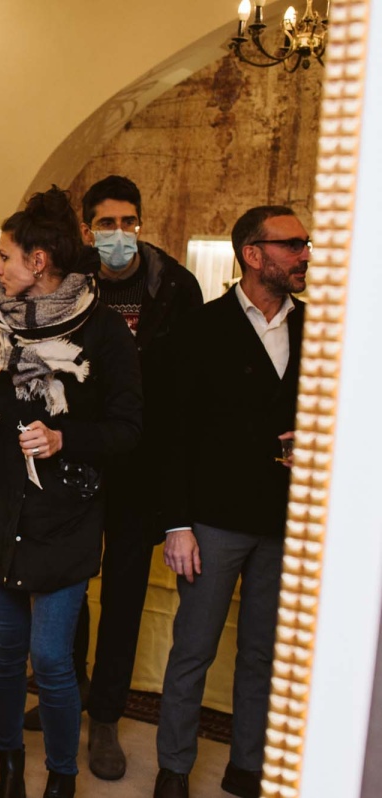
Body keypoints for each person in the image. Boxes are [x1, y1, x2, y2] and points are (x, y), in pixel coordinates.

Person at [0, 187, 142, 798]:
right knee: (6, 655)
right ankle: (9, 769)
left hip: (65, 518)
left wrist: (64, 439)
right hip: (0, 512)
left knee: (54, 659)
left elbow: (128, 429)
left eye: (5, 256)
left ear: (38, 262)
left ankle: (62, 778)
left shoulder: (103, 329)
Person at [21, 175, 204, 779]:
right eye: (107, 224)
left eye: (129, 222)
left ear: (141, 224)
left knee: (124, 598)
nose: (119, 234)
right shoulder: (71, 282)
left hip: (140, 467)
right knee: (69, 587)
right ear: (87, 229)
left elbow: (184, 397)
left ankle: (105, 716)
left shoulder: (175, 287)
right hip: (75, 459)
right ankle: (67, 691)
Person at [153, 206, 308, 798]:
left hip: (285, 521)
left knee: (264, 654)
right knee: (193, 650)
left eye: (305, 244)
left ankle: (248, 765)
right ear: (253, 253)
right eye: (292, 244)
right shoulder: (202, 327)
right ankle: (174, 768)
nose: (304, 255)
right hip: (212, 521)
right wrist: (177, 524)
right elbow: (171, 433)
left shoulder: (317, 332)